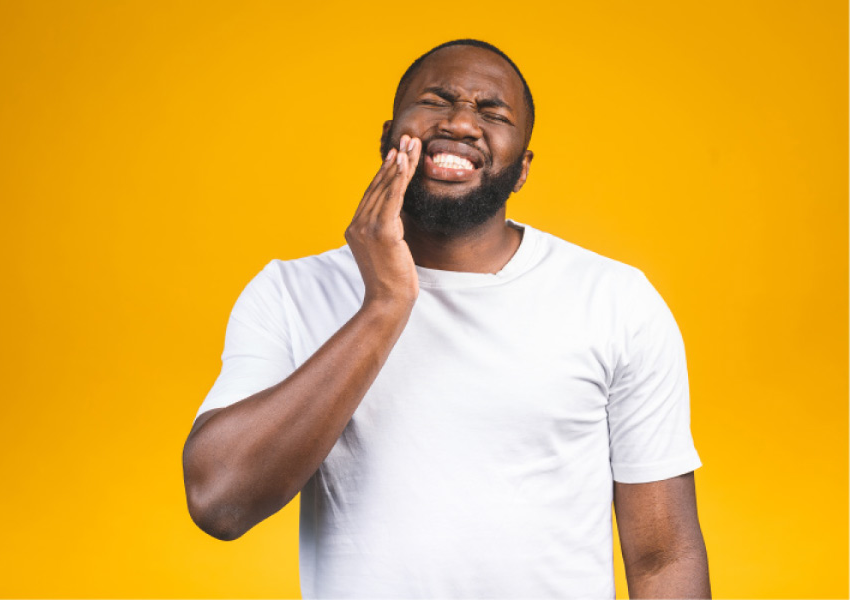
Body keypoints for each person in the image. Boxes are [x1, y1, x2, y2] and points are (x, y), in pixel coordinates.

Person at [182, 39, 711, 599]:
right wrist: (385, 304)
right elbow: (220, 501)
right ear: (388, 137)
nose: (461, 123)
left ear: (523, 167)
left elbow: (663, 556)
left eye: (492, 112)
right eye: (436, 101)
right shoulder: (290, 293)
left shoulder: (614, 300)